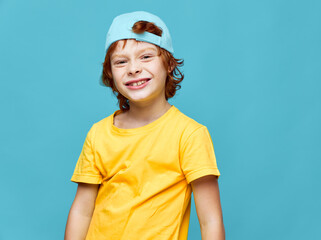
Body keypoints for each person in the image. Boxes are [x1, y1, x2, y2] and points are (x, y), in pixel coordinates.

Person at [64, 11, 225, 240]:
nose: (133, 68)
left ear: (168, 64)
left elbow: (211, 221)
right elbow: (82, 211)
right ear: (110, 73)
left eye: (146, 57)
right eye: (121, 61)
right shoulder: (99, 134)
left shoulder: (189, 135)